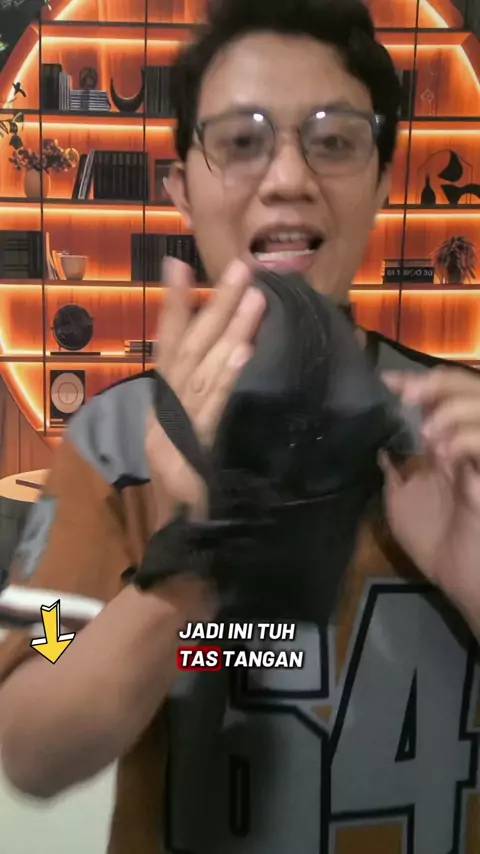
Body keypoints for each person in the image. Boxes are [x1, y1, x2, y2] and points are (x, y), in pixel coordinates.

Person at [1, 0, 479, 851]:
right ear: (181, 189)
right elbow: (30, 738)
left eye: (335, 140)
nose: (289, 176)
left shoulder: (464, 439)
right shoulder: (115, 444)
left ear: (382, 178)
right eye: (241, 140)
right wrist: (185, 563)